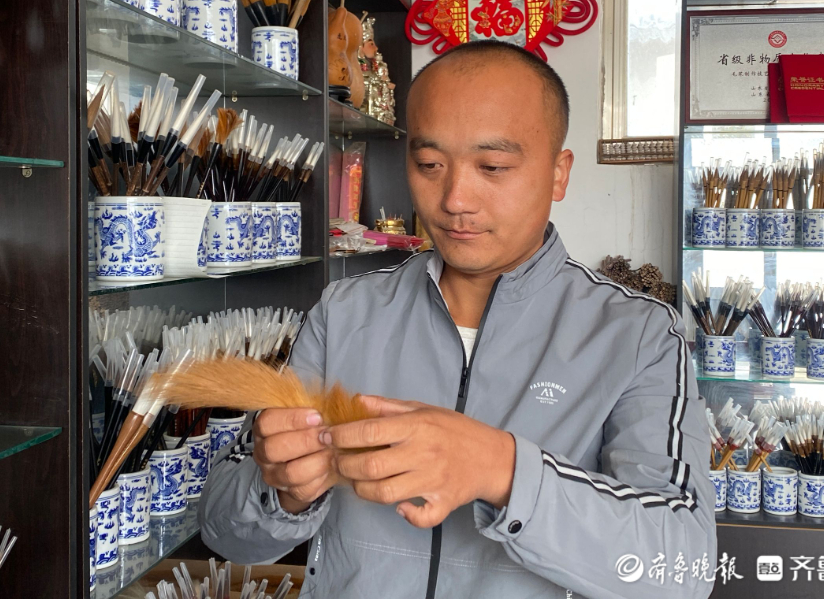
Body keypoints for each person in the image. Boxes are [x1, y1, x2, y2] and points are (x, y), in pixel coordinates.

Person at [199, 40, 717, 598]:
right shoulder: (345, 313)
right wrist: (285, 492)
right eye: (429, 165)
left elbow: (681, 569)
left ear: (558, 173)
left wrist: (502, 470)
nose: (455, 199)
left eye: (493, 167)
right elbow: (224, 533)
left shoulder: (637, 336)